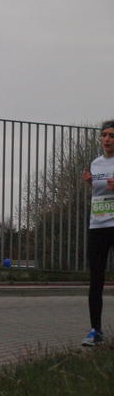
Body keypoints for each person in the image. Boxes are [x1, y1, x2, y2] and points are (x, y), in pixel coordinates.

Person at [80, 119, 114, 346]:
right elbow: (100, 191)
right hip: (98, 226)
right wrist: (91, 182)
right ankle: (95, 331)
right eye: (104, 135)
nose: (107, 139)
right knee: (95, 280)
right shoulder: (96, 163)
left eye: (112, 135)